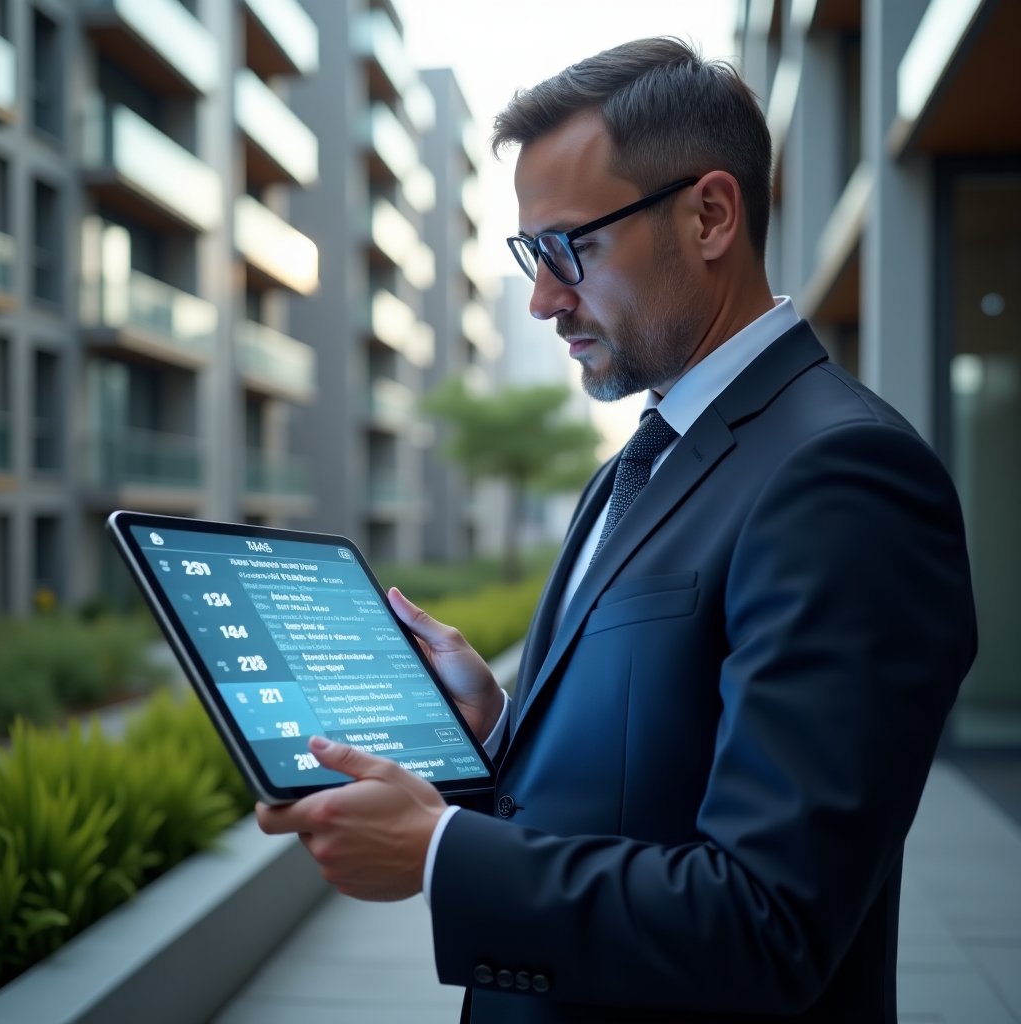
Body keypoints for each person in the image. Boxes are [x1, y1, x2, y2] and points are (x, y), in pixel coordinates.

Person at [257, 37, 977, 1023]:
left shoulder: (845, 475)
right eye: (530, 254)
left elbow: (769, 924)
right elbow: (646, 780)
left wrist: (436, 853)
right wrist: (496, 730)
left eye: (566, 249)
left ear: (710, 214)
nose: (544, 298)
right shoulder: (634, 465)